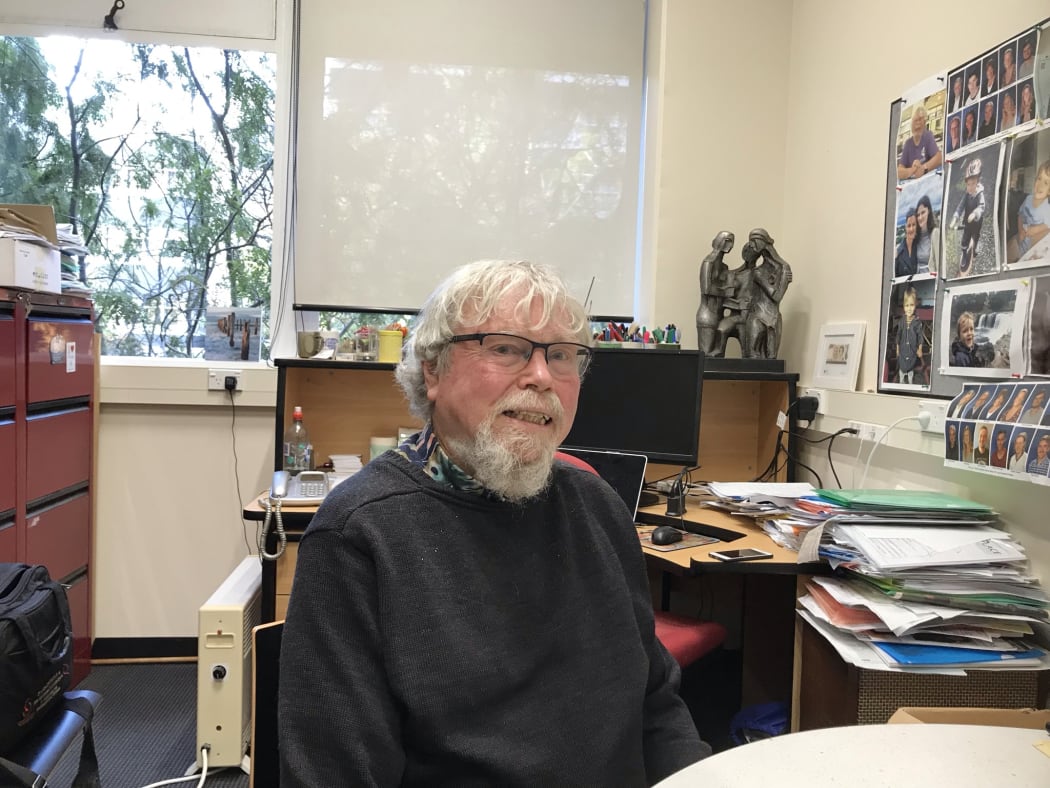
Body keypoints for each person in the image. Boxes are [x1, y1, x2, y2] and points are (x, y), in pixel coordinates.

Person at [278, 259, 709, 786]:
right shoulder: (358, 537)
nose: (543, 376)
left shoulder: (599, 509)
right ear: (433, 369)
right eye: (506, 348)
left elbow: (657, 709)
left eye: (563, 355)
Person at [742, 228, 792, 359]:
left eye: (753, 241)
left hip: (773, 318)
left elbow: (777, 297)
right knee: (752, 359)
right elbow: (776, 295)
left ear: (761, 242)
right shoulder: (758, 272)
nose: (751, 245)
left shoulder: (783, 267)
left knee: (771, 360)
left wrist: (783, 282)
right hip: (757, 317)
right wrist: (784, 283)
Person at [696, 231, 734, 355]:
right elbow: (706, 289)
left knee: (718, 355)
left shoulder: (724, 267)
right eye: (728, 240)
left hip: (720, 315)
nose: (730, 244)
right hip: (707, 315)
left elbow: (729, 289)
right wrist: (726, 291)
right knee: (706, 356)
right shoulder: (709, 263)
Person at [950, 158, 985, 276]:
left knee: (976, 236)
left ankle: (975, 248)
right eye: (968, 184)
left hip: (976, 222)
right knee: (965, 239)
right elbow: (960, 207)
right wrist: (955, 217)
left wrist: (975, 213)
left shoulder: (980, 194)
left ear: (978, 182)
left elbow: (981, 207)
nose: (970, 187)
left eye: (973, 184)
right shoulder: (966, 195)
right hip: (967, 223)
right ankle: (965, 253)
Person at [1012, 159, 1050, 260]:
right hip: (1022, 243)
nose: (1040, 185)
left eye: (1046, 183)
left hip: (1035, 250)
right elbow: (1020, 215)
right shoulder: (1028, 199)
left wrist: (1034, 230)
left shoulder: (1047, 207)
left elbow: (1048, 225)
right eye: (1039, 179)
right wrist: (1020, 230)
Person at [897, 105, 942, 180]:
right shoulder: (908, 143)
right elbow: (899, 171)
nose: (917, 123)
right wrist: (912, 170)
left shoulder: (927, 136)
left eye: (920, 120)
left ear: (924, 123)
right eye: (915, 120)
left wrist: (923, 168)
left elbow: (939, 157)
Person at [895, 286, 923, 384]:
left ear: (916, 305)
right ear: (903, 306)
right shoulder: (901, 321)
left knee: (910, 369)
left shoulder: (917, 322)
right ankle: (901, 382)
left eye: (911, 305)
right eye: (907, 305)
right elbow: (898, 335)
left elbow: (920, 337)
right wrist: (897, 349)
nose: (909, 308)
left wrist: (920, 349)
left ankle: (910, 383)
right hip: (902, 350)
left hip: (912, 351)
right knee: (902, 369)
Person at [915, 194, 939, 274]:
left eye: (923, 212)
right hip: (917, 283)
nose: (920, 217)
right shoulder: (916, 237)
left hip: (930, 282)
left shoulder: (935, 233)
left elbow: (940, 264)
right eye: (918, 215)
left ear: (928, 211)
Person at [894, 210, 918, 277]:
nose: (911, 229)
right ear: (905, 227)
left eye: (914, 225)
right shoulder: (898, 252)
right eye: (909, 226)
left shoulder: (919, 247)